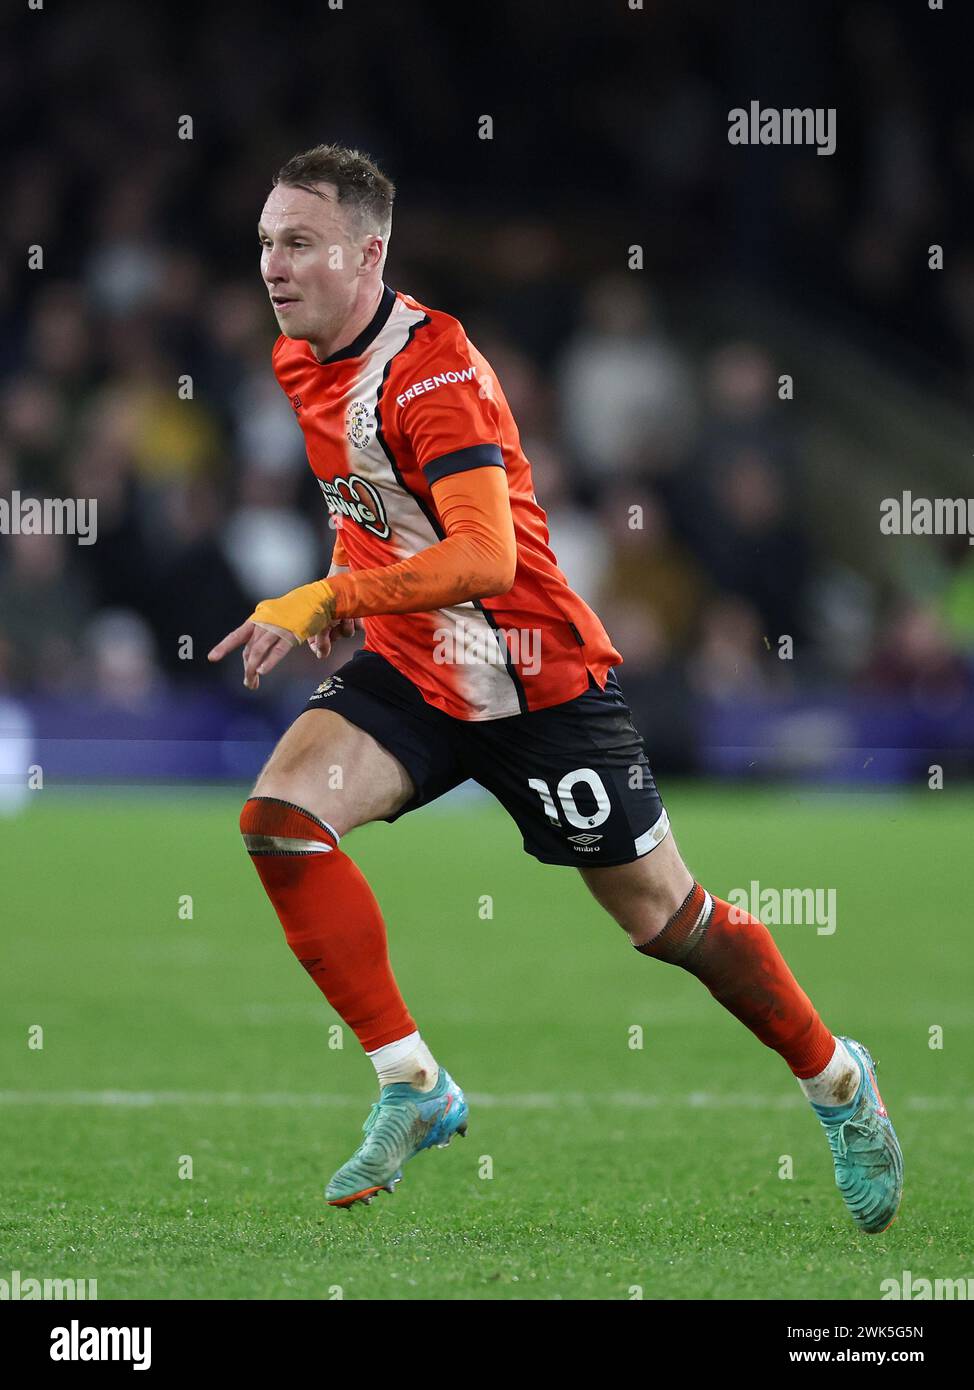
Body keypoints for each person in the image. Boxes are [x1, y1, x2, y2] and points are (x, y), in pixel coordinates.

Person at [209, 144, 902, 1228]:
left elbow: (484, 556)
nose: (272, 264)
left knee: (670, 922)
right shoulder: (298, 359)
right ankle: (412, 1083)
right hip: (411, 668)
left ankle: (838, 1083)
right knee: (281, 820)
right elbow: (367, 506)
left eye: (298, 242)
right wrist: (345, 594)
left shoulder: (433, 370)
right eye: (264, 242)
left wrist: (322, 602)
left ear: (368, 252)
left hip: (538, 682)